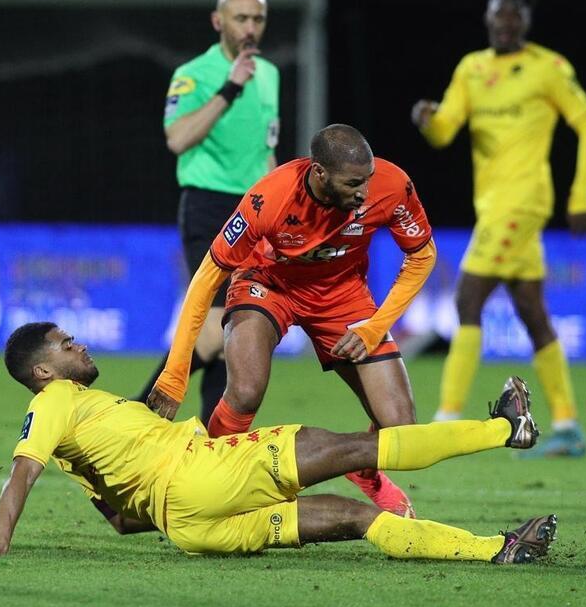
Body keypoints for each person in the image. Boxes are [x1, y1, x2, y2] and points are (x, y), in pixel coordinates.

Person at [0, 322, 556, 563]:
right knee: (358, 448)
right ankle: (507, 428)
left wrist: (186, 503)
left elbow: (121, 522)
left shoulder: (83, 429)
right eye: (66, 345)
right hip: (204, 474)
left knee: (354, 519)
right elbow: (21, 474)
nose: (80, 346)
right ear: (43, 372)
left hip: (193, 527)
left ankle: (496, 551)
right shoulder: (54, 404)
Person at [146, 124, 437, 518]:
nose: (364, 192)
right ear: (319, 173)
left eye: (367, 179)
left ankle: (365, 472)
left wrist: (373, 326)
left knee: (402, 427)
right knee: (245, 390)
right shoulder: (271, 198)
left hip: (341, 294)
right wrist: (175, 373)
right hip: (267, 283)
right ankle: (208, 485)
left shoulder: (392, 184)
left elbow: (422, 256)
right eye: (353, 183)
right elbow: (205, 279)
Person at [411, 0, 586, 457]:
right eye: (497, 15)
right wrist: (428, 120)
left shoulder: (548, 68)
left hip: (522, 203)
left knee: (468, 298)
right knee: (533, 315)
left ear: (526, 21)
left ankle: (446, 417)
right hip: (493, 204)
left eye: (513, 15)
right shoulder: (471, 69)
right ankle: (568, 426)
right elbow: (444, 132)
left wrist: (581, 193)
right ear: (487, 19)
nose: (504, 23)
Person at [135, 0, 281, 424]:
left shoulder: (270, 73)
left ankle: (216, 440)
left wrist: (281, 208)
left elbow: (266, 150)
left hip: (256, 210)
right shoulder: (194, 74)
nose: (250, 28)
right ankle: (141, 414)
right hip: (210, 207)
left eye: (257, 19)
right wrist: (229, 90)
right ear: (219, 22)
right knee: (218, 320)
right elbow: (177, 139)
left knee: (236, 325)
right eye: (241, 18)